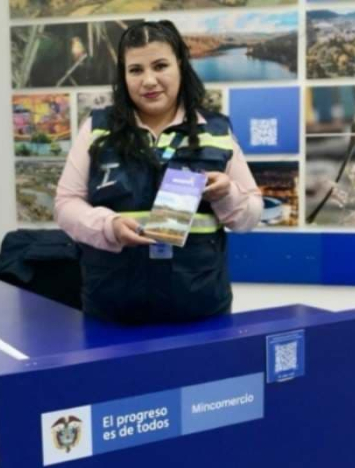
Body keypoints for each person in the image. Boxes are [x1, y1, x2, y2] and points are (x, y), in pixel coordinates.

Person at [55, 20, 262, 324]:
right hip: (113, 310)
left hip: (199, 309)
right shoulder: (97, 128)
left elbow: (250, 215)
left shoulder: (216, 131)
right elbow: (65, 204)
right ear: (123, 76)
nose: (149, 81)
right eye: (136, 70)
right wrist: (108, 226)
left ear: (180, 65)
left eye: (160, 66)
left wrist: (226, 193)